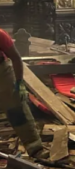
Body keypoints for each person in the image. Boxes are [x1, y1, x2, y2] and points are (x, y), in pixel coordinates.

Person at [0, 28, 44, 157]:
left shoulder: (1, 35)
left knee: (16, 110)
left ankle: (35, 148)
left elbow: (16, 58)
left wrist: (19, 83)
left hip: (2, 72)